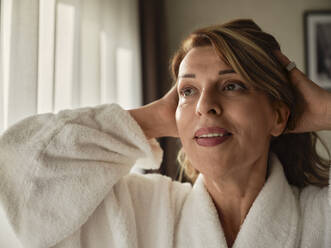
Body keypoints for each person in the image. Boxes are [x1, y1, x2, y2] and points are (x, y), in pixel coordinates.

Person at [0, 19, 330, 248]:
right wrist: (154, 118)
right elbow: (20, 171)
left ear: (277, 117)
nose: (205, 106)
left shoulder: (321, 217)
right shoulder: (141, 210)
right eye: (188, 91)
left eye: (232, 85)